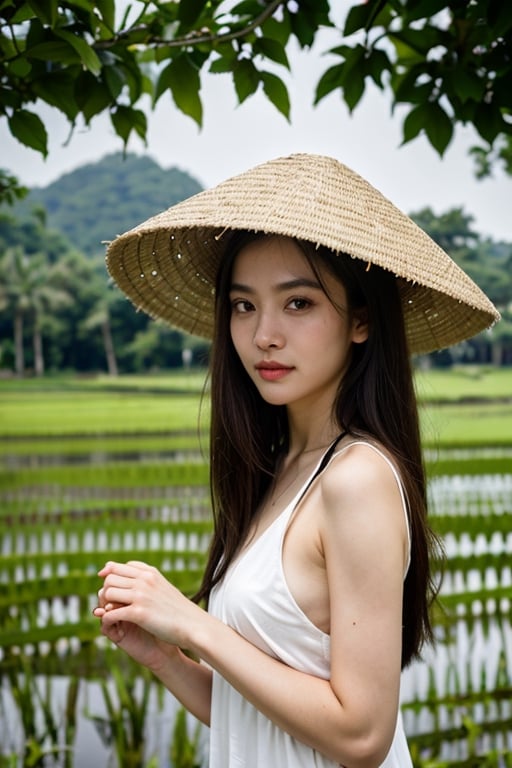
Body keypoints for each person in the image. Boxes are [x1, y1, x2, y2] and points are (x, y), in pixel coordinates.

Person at [94, 154, 499, 767]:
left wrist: (194, 625)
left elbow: (361, 736)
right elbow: (258, 715)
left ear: (360, 319)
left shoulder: (357, 478)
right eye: (244, 305)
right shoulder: (281, 469)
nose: (264, 336)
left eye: (299, 304)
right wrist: (164, 658)